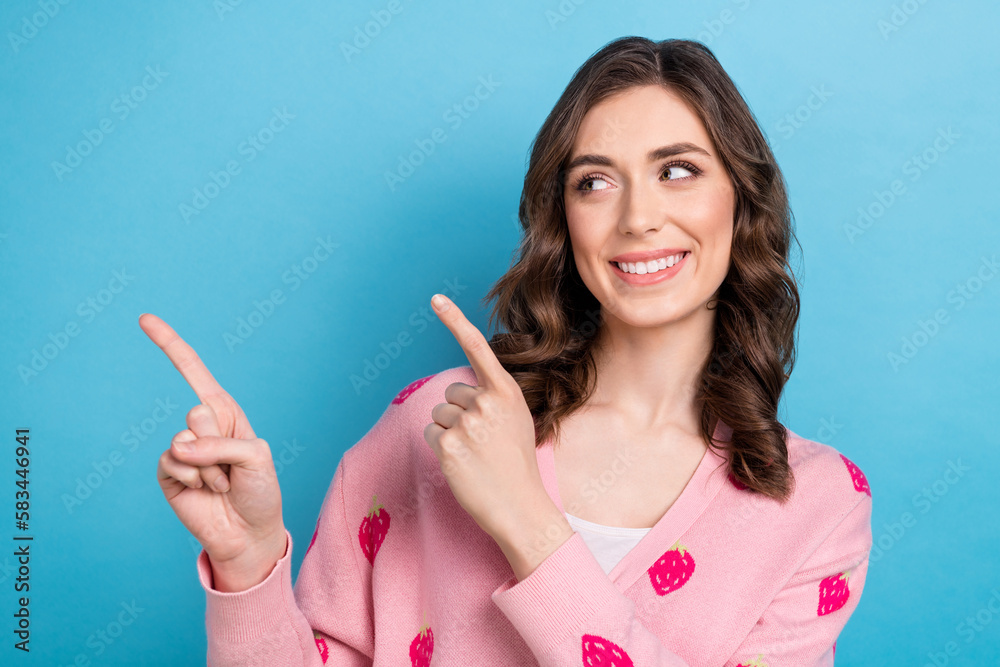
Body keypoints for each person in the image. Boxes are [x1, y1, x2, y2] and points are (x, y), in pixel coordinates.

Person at [141, 36, 873, 666]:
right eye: (594, 182)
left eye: (676, 169)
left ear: (742, 199)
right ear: (565, 220)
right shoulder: (435, 423)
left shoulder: (818, 502)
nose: (638, 216)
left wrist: (527, 521)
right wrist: (247, 562)